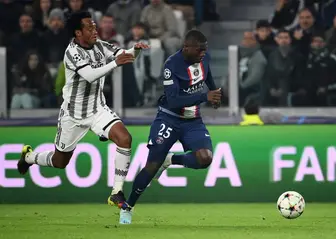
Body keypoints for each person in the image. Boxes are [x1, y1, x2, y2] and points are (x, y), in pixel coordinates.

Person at [16, 11, 149, 207]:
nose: (95, 30)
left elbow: (123, 55)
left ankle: (117, 192)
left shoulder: (100, 45)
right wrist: (114, 63)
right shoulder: (71, 52)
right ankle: (29, 157)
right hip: (73, 114)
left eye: (94, 26)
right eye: (90, 27)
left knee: (124, 138)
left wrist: (135, 50)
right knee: (60, 162)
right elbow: (90, 75)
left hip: (97, 109)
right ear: (78, 33)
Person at [119, 29, 222, 224]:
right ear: (186, 48)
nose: (203, 54)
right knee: (151, 165)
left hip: (193, 121)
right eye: (199, 50)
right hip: (169, 119)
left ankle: (171, 160)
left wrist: (214, 92)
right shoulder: (171, 65)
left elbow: (207, 76)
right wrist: (204, 96)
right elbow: (174, 101)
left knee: (205, 159)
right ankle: (128, 206)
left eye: (204, 50)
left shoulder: (203, 58)